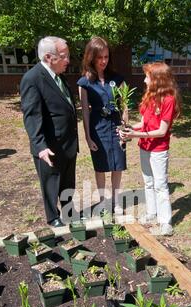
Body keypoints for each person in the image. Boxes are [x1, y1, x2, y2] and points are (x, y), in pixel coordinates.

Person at [20, 36, 78, 227]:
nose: (68, 60)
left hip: (67, 143)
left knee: (68, 182)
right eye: (64, 56)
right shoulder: (32, 79)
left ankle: (69, 213)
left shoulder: (59, 76)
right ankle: (53, 217)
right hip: (49, 146)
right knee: (51, 182)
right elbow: (32, 116)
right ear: (48, 57)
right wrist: (40, 146)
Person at [119, 62, 181, 235]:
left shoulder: (168, 99)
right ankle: (152, 213)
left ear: (157, 79)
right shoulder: (149, 97)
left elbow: (161, 131)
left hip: (158, 149)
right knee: (148, 182)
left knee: (160, 185)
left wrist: (135, 135)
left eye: (147, 76)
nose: (145, 80)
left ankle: (165, 223)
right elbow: (144, 123)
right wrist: (131, 128)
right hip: (145, 146)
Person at [77, 36, 127, 215]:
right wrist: (88, 137)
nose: (103, 61)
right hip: (97, 129)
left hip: (115, 127)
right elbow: (84, 112)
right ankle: (102, 201)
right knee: (101, 166)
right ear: (91, 57)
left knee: (117, 165)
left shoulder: (117, 79)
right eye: (100, 57)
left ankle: (116, 201)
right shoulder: (85, 82)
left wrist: (124, 128)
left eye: (106, 57)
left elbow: (124, 105)